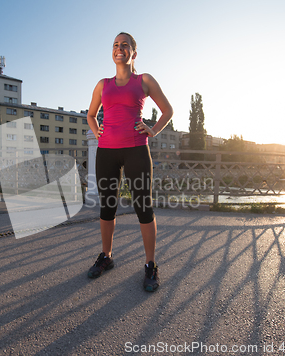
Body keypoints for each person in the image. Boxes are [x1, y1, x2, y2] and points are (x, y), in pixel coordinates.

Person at [86, 32, 173, 292]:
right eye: (115, 45)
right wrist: (96, 129)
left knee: (143, 207)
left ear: (134, 52)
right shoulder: (103, 84)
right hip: (107, 151)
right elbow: (91, 114)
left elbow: (167, 110)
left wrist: (153, 130)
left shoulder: (144, 80)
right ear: (112, 52)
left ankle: (150, 265)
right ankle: (106, 256)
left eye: (125, 45)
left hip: (136, 149)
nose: (119, 48)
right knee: (107, 205)